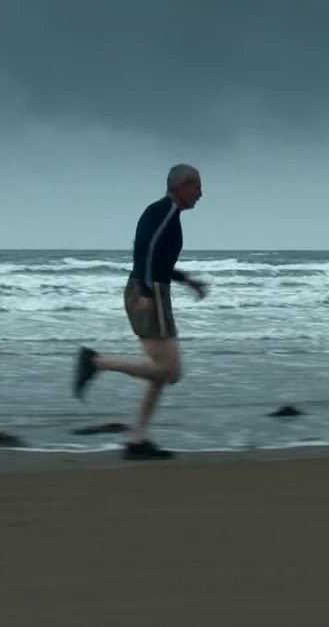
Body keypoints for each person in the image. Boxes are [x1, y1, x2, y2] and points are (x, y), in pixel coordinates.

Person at [72, 163, 208, 460]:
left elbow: (158, 261)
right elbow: (143, 251)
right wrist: (146, 292)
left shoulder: (167, 213)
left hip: (154, 291)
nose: (201, 193)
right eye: (197, 187)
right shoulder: (165, 211)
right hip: (149, 293)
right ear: (181, 186)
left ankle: (137, 439)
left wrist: (187, 281)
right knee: (169, 371)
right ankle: (96, 363)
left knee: (164, 372)